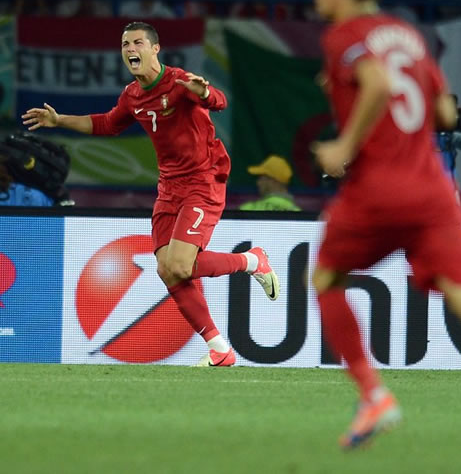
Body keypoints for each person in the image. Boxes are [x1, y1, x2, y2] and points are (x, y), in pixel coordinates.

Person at [307, 0, 461, 450]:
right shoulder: (405, 34)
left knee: (324, 277)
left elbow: (379, 85)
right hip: (435, 192)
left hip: (380, 191)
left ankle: (374, 395)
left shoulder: (344, 35)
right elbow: (446, 114)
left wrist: (344, 144)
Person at [22, 20, 280, 367]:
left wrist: (204, 92)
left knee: (179, 264)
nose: (130, 49)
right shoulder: (133, 96)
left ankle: (252, 260)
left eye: (138, 42)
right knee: (167, 270)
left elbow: (218, 101)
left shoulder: (178, 82)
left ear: (155, 48)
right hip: (169, 187)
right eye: (125, 43)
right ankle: (220, 349)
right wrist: (60, 121)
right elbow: (108, 124)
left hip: (203, 181)